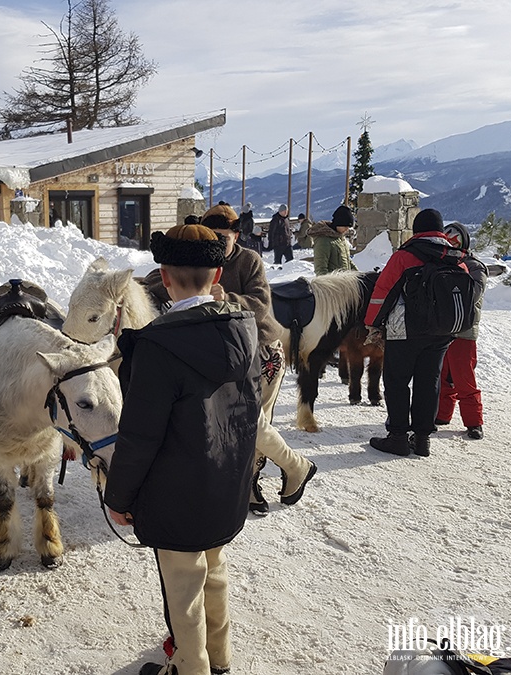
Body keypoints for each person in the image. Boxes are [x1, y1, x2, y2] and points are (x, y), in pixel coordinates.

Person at [105, 223, 260, 675]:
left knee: (183, 589)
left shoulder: (157, 345)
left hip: (176, 494)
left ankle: (191, 669)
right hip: (225, 485)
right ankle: (221, 661)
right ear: (217, 276)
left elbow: (140, 436)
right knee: (215, 573)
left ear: (165, 277)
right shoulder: (243, 328)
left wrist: (118, 497)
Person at [143, 203, 316, 515]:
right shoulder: (199, 254)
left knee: (253, 421)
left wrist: (225, 297)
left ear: (237, 235)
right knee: (233, 421)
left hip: (261, 348)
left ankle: (254, 479)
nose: (219, 243)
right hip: (221, 351)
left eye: (225, 237)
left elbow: (262, 304)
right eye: (213, 236)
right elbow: (162, 278)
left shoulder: (248, 260)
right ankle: (280, 470)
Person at [364, 208, 464, 457]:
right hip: (442, 331)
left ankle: (397, 437)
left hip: (405, 330)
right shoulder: (454, 256)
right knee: (428, 382)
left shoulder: (406, 256)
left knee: (397, 381)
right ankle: (421, 440)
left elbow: (383, 291)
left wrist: (372, 323)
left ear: (416, 230)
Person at [436, 221, 487, 440]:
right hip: (443, 329)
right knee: (442, 375)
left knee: (464, 378)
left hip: (464, 332)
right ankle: (442, 413)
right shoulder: (442, 262)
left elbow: (473, 294)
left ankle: (474, 421)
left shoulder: (475, 266)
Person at [308, 204, 358, 275]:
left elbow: (347, 261)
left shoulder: (341, 238)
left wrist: (359, 275)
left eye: (348, 227)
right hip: (333, 283)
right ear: (338, 223)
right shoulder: (323, 240)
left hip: (345, 282)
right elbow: (320, 269)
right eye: (345, 226)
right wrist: (327, 285)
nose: (347, 230)